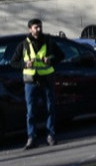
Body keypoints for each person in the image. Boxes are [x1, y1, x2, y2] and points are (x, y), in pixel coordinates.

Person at [13, 18, 64, 149]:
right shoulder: (23, 44)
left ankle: (50, 135)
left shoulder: (48, 41)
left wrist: (50, 60)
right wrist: (25, 64)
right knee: (31, 111)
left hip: (47, 79)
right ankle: (31, 138)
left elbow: (61, 55)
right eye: (36, 27)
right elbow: (13, 62)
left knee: (50, 108)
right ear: (30, 29)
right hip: (31, 81)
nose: (39, 29)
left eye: (40, 27)